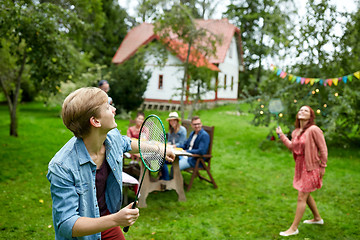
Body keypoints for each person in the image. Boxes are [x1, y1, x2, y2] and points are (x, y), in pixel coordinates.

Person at [47, 87, 174, 240]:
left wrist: (157, 148)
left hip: (106, 221)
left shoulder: (111, 137)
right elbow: (67, 224)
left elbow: (126, 143)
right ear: (95, 121)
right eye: (107, 107)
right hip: (82, 234)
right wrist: (116, 219)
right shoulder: (62, 167)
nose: (114, 109)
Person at [276, 105, 328, 237]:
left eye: (306, 110)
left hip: (312, 167)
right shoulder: (296, 132)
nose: (302, 111)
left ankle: (294, 228)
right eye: (300, 109)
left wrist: (323, 166)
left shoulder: (314, 130)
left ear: (310, 116)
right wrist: (281, 135)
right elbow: (292, 147)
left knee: (302, 196)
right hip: (300, 167)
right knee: (306, 193)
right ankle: (317, 218)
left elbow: (323, 149)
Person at [160, 112, 187, 180]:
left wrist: (173, 146)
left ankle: (167, 179)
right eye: (171, 120)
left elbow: (182, 144)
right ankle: (165, 178)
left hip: (180, 154)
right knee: (160, 159)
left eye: (174, 120)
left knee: (162, 159)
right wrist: (168, 144)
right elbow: (170, 141)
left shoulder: (182, 130)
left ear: (177, 121)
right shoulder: (171, 130)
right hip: (172, 152)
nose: (172, 122)